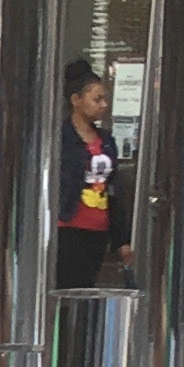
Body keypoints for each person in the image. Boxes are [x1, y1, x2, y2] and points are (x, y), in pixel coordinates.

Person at [55, 60, 130, 290]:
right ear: (76, 100)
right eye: (96, 99)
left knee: (87, 287)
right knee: (66, 287)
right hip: (67, 227)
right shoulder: (61, 138)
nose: (103, 105)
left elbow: (113, 190)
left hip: (98, 230)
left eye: (104, 99)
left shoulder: (106, 140)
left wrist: (121, 240)